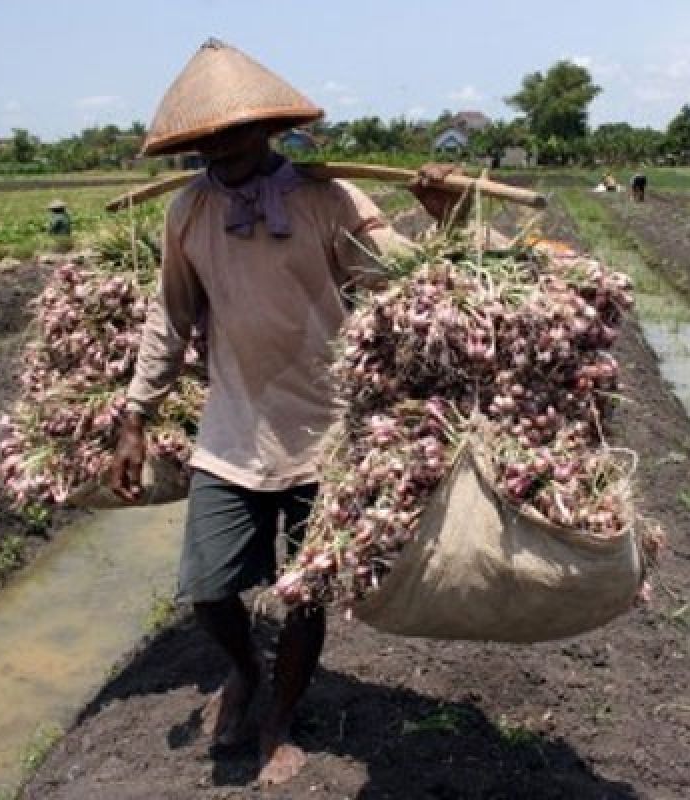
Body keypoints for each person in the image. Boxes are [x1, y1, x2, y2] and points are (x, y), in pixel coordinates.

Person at [109, 38, 463, 786]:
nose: (218, 147)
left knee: (305, 591)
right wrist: (136, 413)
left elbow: (405, 285)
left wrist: (445, 217)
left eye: (232, 132)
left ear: (267, 129)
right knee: (207, 588)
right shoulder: (189, 210)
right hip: (232, 430)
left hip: (326, 434)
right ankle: (244, 669)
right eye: (205, 137)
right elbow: (168, 318)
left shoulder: (330, 201)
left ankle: (277, 720)